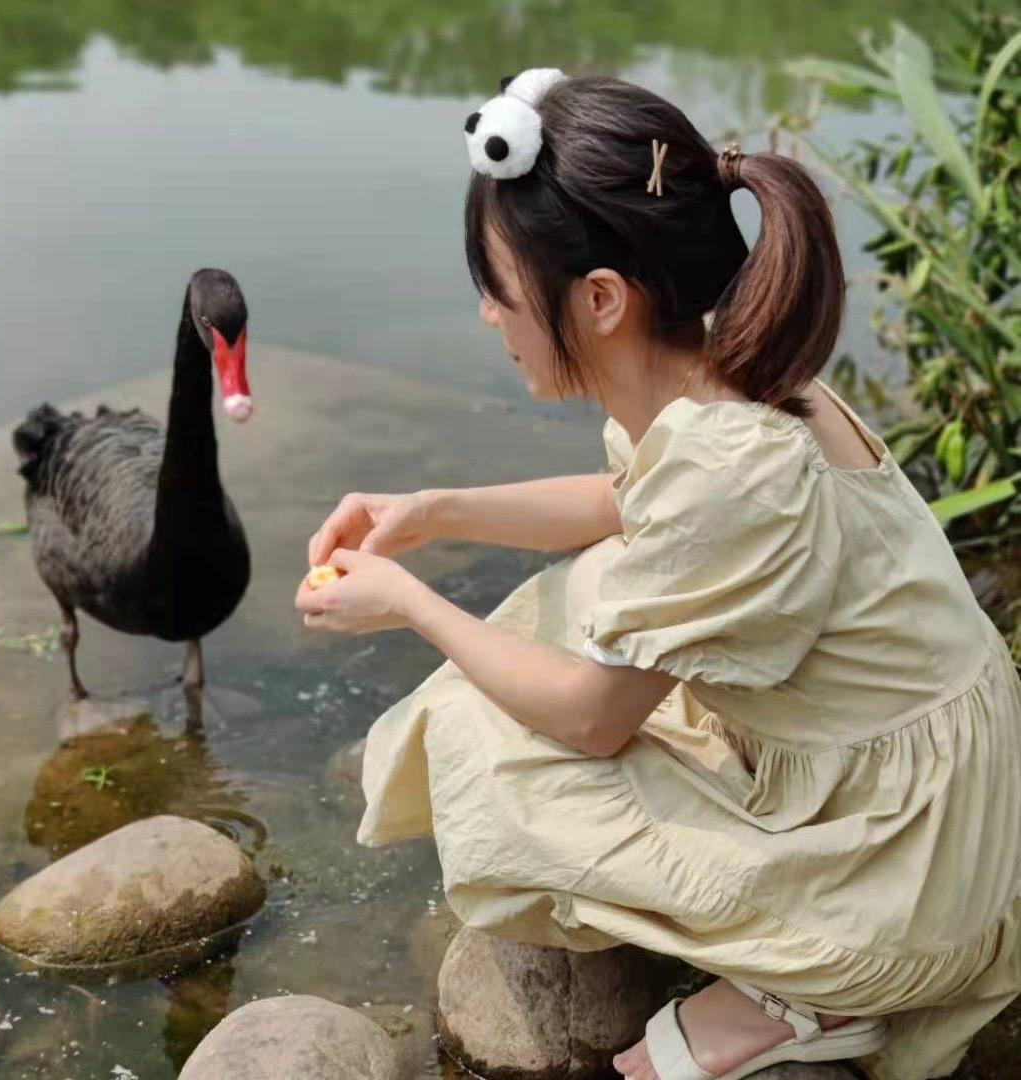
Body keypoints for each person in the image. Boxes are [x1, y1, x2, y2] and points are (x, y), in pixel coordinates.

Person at [295, 70, 1021, 1080]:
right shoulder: (719, 357)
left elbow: (594, 718)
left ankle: (811, 995)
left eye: (500, 291)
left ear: (598, 299)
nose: (486, 318)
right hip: (922, 779)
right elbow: (624, 502)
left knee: (477, 733)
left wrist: (413, 604)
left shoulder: (728, 464)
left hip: (911, 868)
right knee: (571, 598)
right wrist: (434, 512)